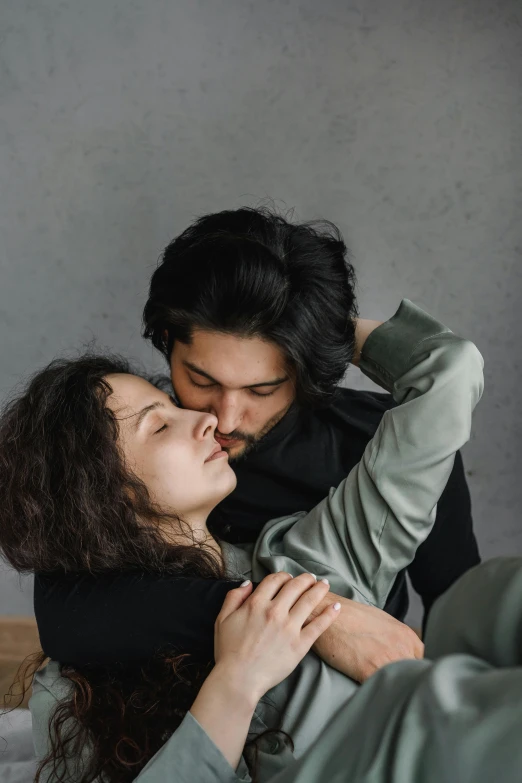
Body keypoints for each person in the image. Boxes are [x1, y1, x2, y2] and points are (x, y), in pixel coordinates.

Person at [0, 300, 483, 781]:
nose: (210, 419)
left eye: (172, 405)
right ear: (105, 495)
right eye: (161, 424)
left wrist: (312, 324)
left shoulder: (307, 558)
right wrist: (237, 682)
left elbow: (449, 375)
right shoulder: (73, 690)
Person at [33, 208, 480, 675]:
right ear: (167, 341)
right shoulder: (144, 448)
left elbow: (457, 609)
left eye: (261, 390)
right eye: (200, 378)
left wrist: (325, 330)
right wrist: (313, 619)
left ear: (302, 369)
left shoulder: (381, 441)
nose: (223, 417)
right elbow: (65, 612)